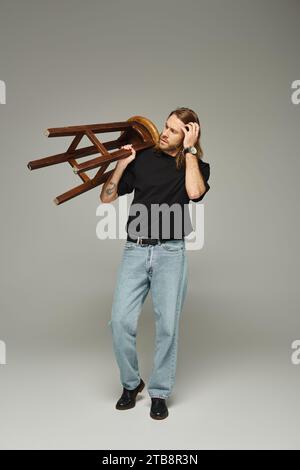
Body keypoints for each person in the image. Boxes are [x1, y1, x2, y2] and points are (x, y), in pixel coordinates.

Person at [100, 107, 211, 420]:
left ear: (189, 135)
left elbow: (194, 192)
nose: (164, 133)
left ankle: (160, 392)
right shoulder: (143, 158)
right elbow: (106, 197)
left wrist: (190, 149)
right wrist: (121, 166)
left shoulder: (196, 165)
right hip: (135, 250)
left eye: (174, 130)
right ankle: (131, 383)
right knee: (120, 321)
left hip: (170, 253)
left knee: (167, 326)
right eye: (166, 126)